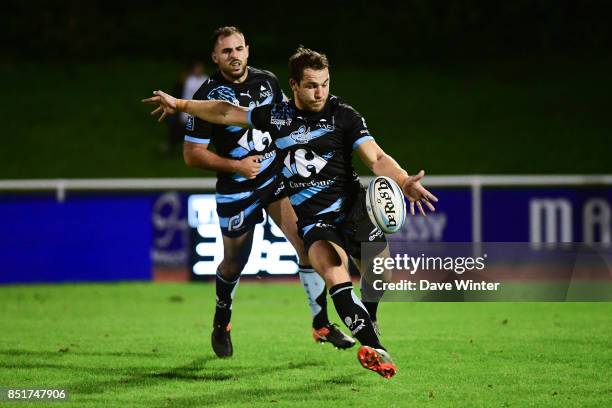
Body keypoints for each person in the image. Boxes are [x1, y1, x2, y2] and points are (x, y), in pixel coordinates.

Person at [143, 46, 438, 378]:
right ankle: (375, 348)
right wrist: (181, 104)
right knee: (333, 274)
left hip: (354, 209)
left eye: (325, 84)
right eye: (312, 85)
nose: (320, 92)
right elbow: (226, 112)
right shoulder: (277, 116)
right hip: (314, 220)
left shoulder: (344, 115)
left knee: (381, 274)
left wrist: (402, 179)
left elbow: (377, 157)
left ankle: (367, 316)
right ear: (294, 85)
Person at [179, 28, 354, 358]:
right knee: (234, 264)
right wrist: (237, 167)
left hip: (275, 178)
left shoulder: (268, 82)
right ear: (215, 57)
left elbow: (285, 123)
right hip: (236, 188)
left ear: (248, 51)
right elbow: (192, 155)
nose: (234, 54)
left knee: (307, 243)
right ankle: (222, 320)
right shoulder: (206, 97)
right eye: (226, 50)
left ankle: (321, 323)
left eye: (239, 48)